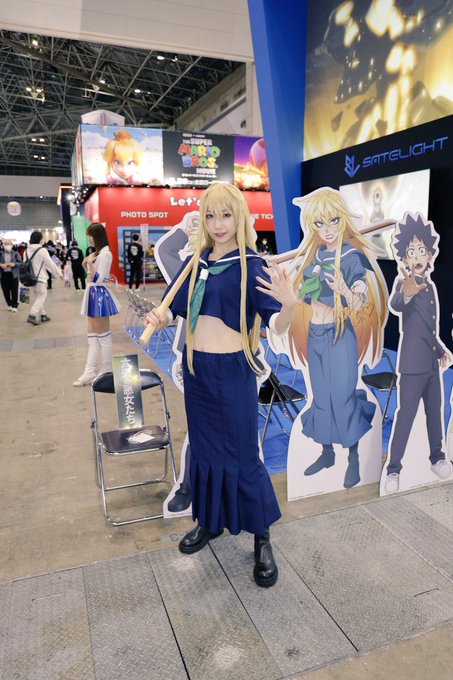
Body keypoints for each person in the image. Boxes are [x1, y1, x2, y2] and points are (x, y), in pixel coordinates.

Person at [146, 182, 297, 588]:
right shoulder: (195, 261)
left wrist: (289, 303)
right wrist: (160, 317)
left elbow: (277, 325)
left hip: (233, 372)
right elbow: (174, 307)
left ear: (239, 216)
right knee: (205, 450)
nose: (218, 224)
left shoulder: (253, 265)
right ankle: (210, 521)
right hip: (198, 372)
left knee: (244, 456)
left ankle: (261, 536)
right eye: (210, 216)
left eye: (226, 215)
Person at [288, 188, 388, 488]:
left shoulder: (351, 256)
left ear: (343, 220)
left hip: (340, 333)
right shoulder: (315, 255)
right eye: (320, 223)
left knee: (343, 397)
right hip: (315, 333)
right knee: (321, 397)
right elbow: (303, 295)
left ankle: (353, 457)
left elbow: (360, 300)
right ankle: (327, 452)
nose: (328, 229)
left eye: (333, 221)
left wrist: (345, 290)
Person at [385, 213, 452, 493]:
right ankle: (393, 470)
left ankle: (437, 458)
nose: (417, 256)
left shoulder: (432, 286)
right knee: (406, 416)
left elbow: (428, 327)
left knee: (434, 413)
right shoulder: (405, 283)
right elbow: (397, 304)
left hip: (431, 365)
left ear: (430, 254)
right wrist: (407, 293)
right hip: (412, 366)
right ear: (404, 258)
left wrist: (441, 349)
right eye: (411, 252)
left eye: (421, 250)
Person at [73, 223, 120, 386]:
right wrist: (87, 263)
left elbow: (99, 279)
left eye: (91, 236)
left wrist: (90, 263)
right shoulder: (99, 253)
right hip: (92, 294)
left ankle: (106, 370)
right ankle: (89, 372)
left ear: (97, 236)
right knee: (92, 337)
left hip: (99, 295)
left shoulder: (105, 254)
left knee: (103, 336)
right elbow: (90, 276)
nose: (89, 239)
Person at [25, 231, 63, 325]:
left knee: (38, 297)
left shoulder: (26, 251)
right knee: (41, 296)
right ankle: (32, 315)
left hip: (29, 279)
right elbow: (50, 263)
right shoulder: (42, 250)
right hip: (40, 278)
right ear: (39, 239)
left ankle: (43, 315)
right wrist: (58, 273)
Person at [0, 240, 22, 311]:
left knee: (14, 290)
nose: (7, 246)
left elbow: (20, 263)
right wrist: (1, 265)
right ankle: (9, 303)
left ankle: (14, 305)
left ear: (12, 245)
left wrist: (14, 264)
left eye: (9, 244)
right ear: (3, 245)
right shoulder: (1, 253)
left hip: (13, 274)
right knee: (5, 290)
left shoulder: (16, 253)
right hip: (4, 274)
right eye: (6, 244)